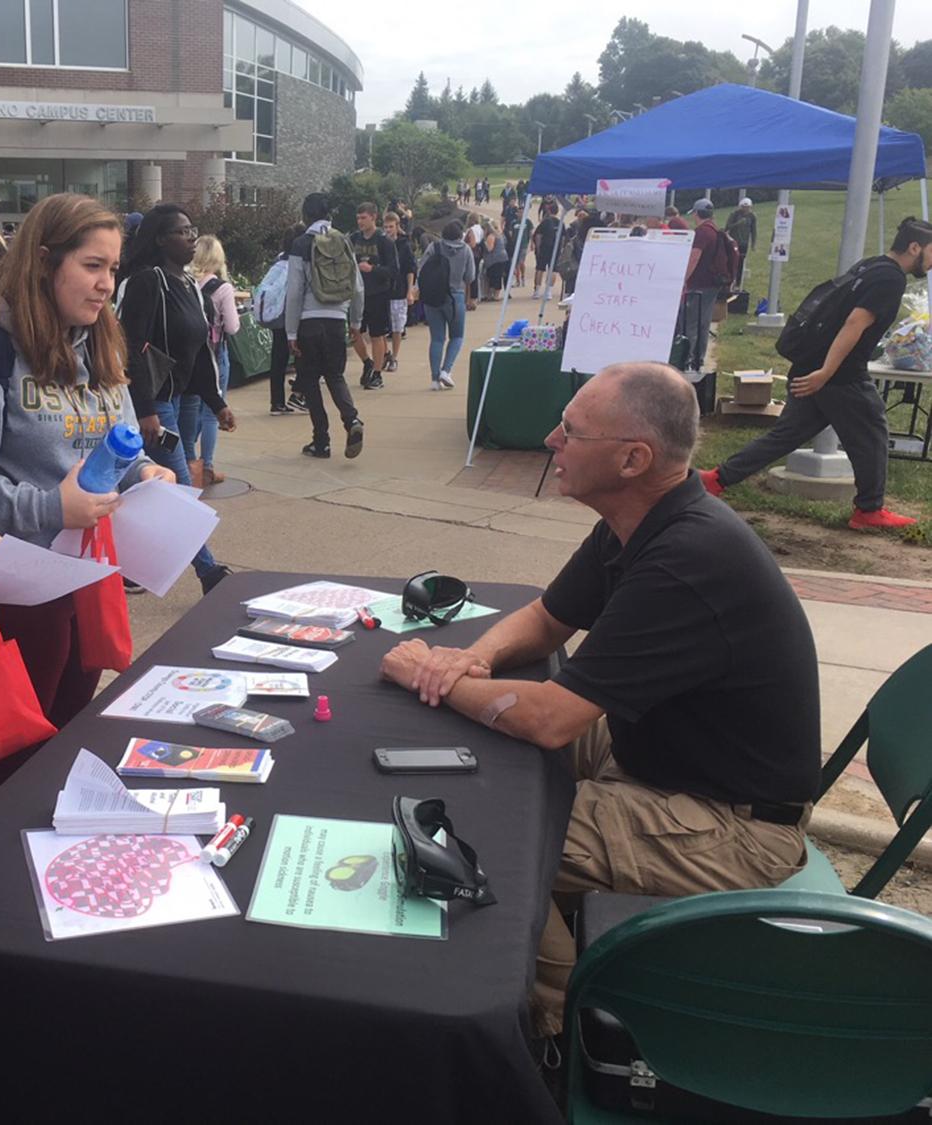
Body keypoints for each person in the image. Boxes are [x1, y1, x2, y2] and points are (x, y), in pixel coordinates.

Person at [380, 362, 820, 1041]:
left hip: (735, 830)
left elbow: (552, 718)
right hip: (673, 759)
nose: (553, 439)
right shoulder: (639, 519)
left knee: (483, 835)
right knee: (485, 749)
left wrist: (427, 676)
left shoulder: (686, 558)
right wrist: (475, 658)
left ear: (632, 458)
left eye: (572, 430)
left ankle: (561, 1021)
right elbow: (549, 617)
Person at [0, 193, 176, 816]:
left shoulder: (96, 341)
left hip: (86, 582)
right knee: (5, 770)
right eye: (93, 266)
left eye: (113, 269)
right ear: (44, 262)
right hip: (12, 595)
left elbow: (112, 440)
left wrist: (146, 472)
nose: (106, 286)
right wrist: (49, 508)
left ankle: (39, 874)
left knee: (66, 749)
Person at [701, 217, 932, 531]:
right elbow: (855, 324)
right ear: (914, 247)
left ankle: (717, 479)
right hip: (840, 374)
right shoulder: (891, 278)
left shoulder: (872, 265)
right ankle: (869, 510)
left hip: (811, 365)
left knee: (787, 435)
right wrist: (826, 373)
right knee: (873, 431)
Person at [115, 204, 235, 594]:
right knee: (180, 488)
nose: (192, 237)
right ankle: (209, 573)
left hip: (184, 398)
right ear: (161, 239)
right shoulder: (148, 282)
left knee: (161, 489)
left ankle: (132, 564)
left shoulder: (187, 285)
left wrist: (216, 403)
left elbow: (200, 351)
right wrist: (146, 409)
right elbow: (130, 347)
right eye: (184, 231)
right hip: (157, 401)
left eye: (192, 229)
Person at [284, 191, 365, 460]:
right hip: (336, 321)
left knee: (309, 381)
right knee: (335, 375)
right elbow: (357, 287)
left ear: (305, 215)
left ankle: (322, 441)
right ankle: (352, 420)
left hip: (308, 322)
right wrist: (355, 321)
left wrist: (291, 331)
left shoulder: (300, 244)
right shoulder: (344, 241)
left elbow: (294, 292)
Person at [182, 234, 239, 487]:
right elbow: (233, 327)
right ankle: (207, 466)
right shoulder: (222, 288)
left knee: (189, 410)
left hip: (189, 355)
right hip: (215, 354)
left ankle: (187, 463)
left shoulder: (185, 282)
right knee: (211, 413)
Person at [420, 220, 476, 390]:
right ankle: (446, 370)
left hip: (433, 297)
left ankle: (435, 379)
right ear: (461, 235)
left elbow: (421, 269)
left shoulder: (434, 247)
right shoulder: (466, 250)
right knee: (457, 336)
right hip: (455, 296)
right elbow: (470, 277)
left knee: (437, 338)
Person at [349, 202, 396, 390]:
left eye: (364, 218)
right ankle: (367, 362)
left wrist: (373, 269)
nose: (360, 221)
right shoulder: (353, 239)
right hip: (357, 294)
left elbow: (393, 270)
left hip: (378, 293)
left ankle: (377, 373)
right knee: (355, 332)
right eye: (358, 218)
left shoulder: (384, 241)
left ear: (373, 217)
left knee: (377, 334)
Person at [678, 199, 725, 373]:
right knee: (703, 323)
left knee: (691, 322)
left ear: (697, 214)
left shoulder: (702, 233)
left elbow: (694, 257)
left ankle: (687, 359)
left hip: (699, 284)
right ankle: (699, 358)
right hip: (712, 284)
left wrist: (683, 278)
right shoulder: (714, 230)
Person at [263, 224, 306, 415]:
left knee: (278, 358)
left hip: (278, 313)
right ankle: (299, 394)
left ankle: (277, 402)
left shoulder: (279, 261)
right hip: (296, 314)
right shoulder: (301, 263)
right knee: (303, 355)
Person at [383, 211, 417, 373]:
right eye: (386, 227)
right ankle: (384, 353)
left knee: (397, 327)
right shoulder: (381, 243)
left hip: (399, 290)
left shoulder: (404, 245)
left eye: (391, 227)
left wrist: (409, 291)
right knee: (381, 327)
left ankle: (394, 357)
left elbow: (410, 269)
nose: (388, 230)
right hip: (382, 291)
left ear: (397, 227)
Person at [725, 197, 757, 288]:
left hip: (744, 243)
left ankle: (738, 283)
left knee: (741, 263)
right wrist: (738, 223)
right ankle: (730, 279)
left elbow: (753, 230)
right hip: (734, 242)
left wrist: (753, 244)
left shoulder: (752, 216)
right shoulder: (734, 214)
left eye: (748, 207)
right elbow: (727, 227)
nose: (746, 209)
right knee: (732, 261)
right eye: (744, 207)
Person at [532, 203, 560, 297]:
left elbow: (538, 235)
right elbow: (564, 238)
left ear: (548, 211)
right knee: (553, 270)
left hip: (545, 248)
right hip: (556, 248)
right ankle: (548, 291)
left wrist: (538, 247)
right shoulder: (560, 223)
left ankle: (537, 291)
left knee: (540, 269)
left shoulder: (545, 222)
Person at [482, 220, 509, 298]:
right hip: (502, 258)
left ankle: (495, 295)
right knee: (497, 276)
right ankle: (494, 294)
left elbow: (490, 249)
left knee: (495, 277)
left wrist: (484, 243)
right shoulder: (499, 235)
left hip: (495, 259)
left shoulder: (491, 236)